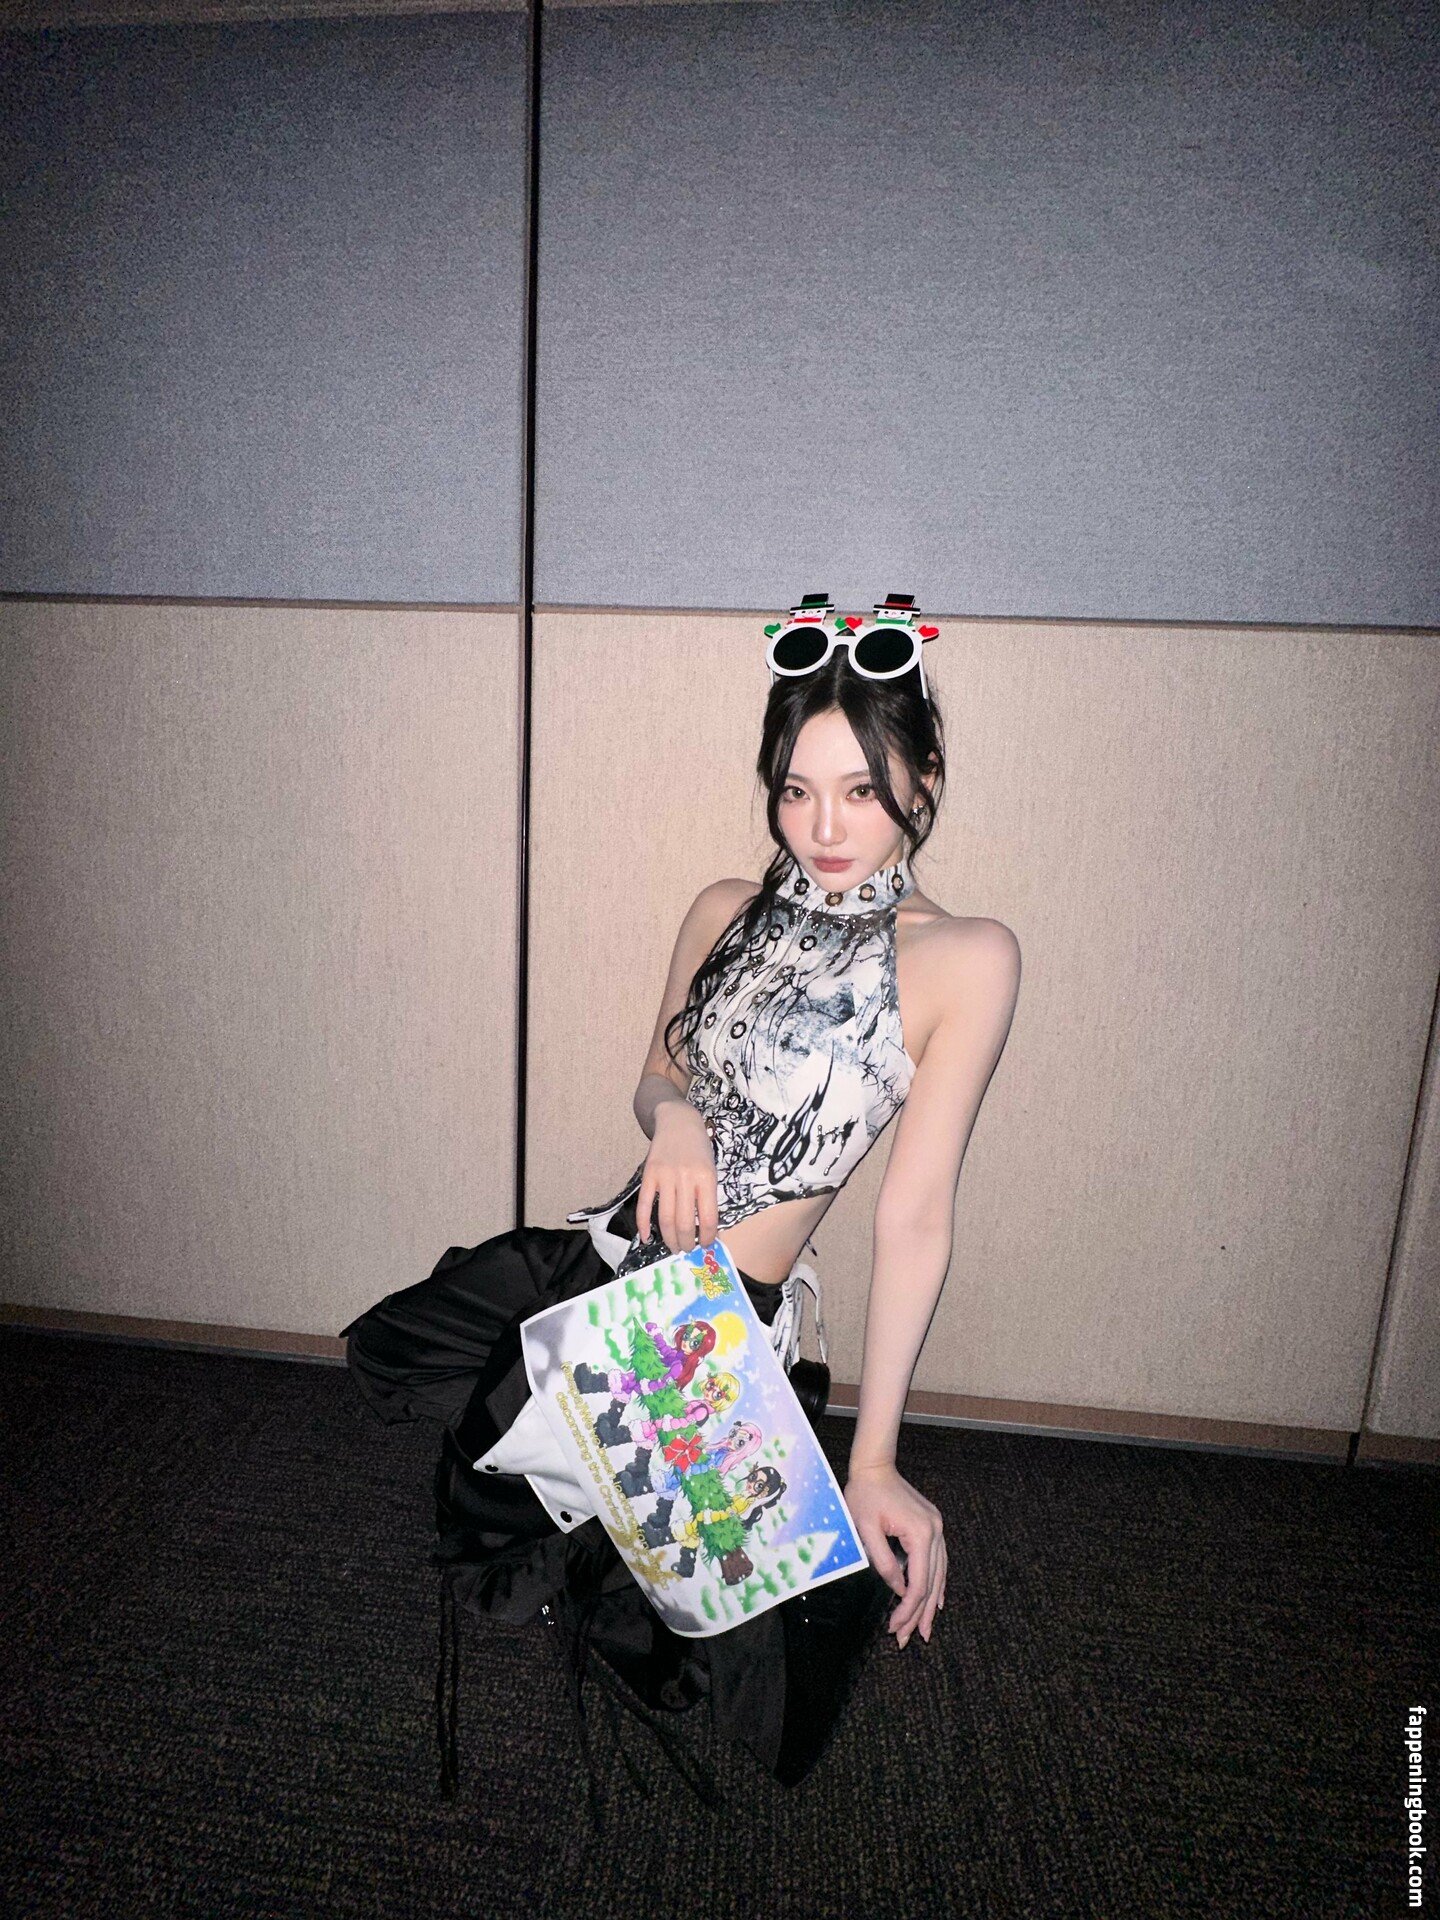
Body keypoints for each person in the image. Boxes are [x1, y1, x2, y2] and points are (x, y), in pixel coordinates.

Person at [342, 592, 1021, 1796]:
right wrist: (678, 1118)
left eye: (861, 791)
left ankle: (615, 1505)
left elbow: (913, 1217)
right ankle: (581, 1487)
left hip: (707, 1333)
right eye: (795, 789)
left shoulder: (966, 957)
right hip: (603, 1259)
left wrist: (873, 1462)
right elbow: (657, 1075)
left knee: (781, 1692)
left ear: (924, 781)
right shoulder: (722, 908)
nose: (823, 826)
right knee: (410, 1352)